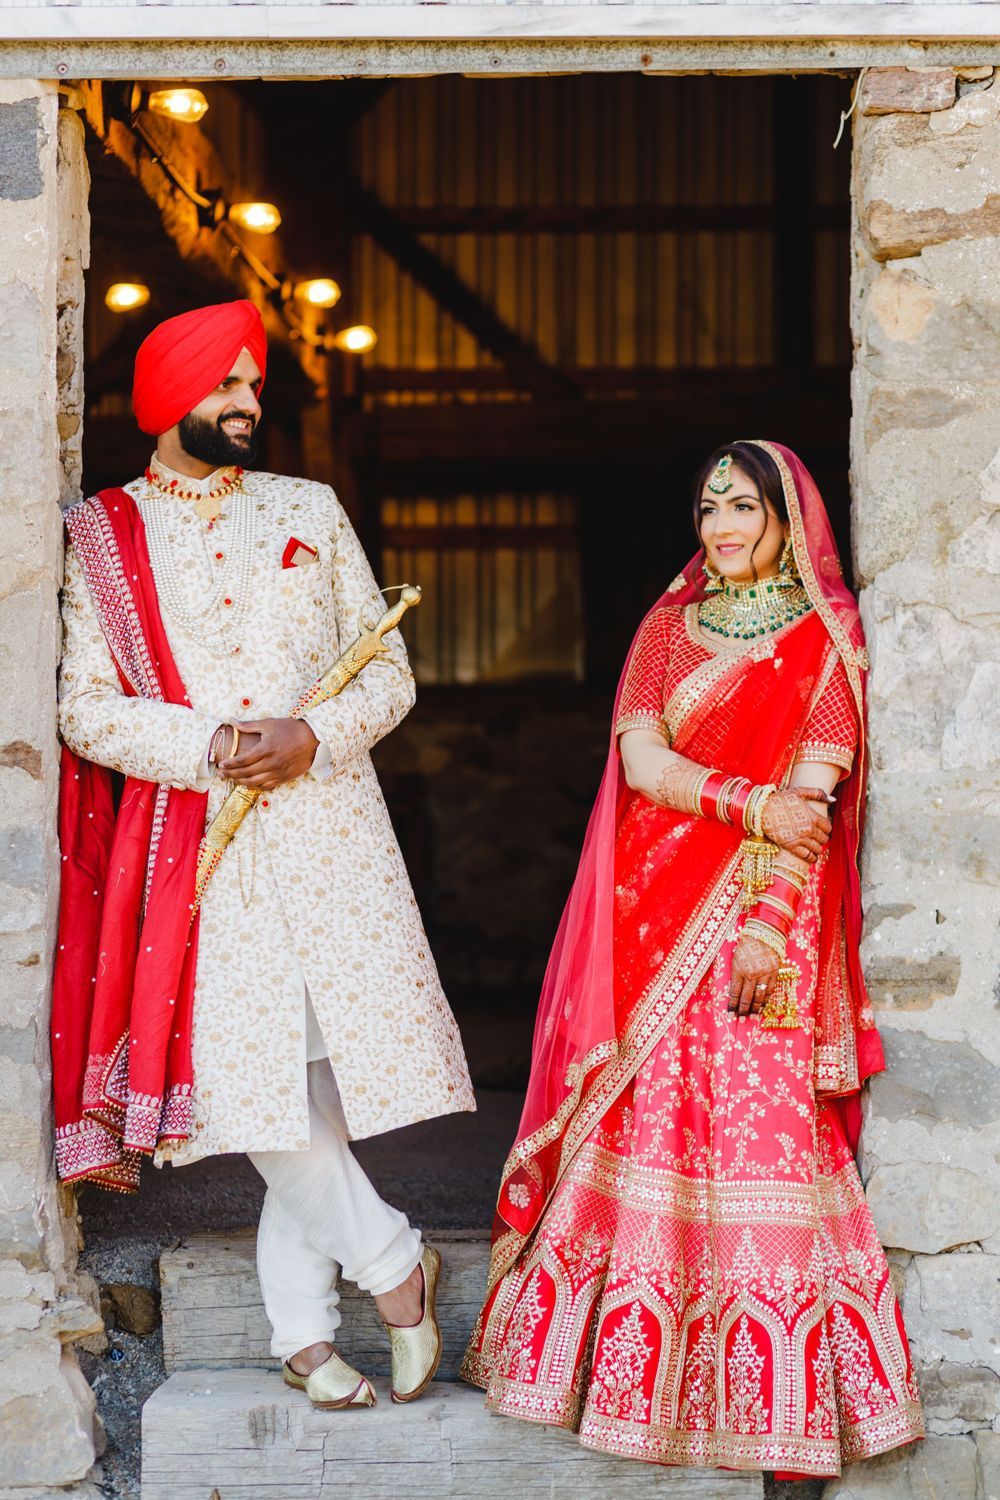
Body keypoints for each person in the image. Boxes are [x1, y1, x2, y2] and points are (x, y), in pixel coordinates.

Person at [463, 441, 924, 1478]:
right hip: (651, 910)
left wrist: (766, 923)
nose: (720, 526)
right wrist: (748, 801)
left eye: (743, 507)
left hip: (764, 920)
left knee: (763, 1142)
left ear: (787, 522)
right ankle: (622, 1384)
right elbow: (640, 762)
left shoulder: (826, 640)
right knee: (648, 1120)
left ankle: (776, 1412)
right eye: (708, 507)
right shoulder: (665, 630)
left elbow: (813, 803)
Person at [53, 298, 475, 1411]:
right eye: (227, 383)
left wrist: (314, 735)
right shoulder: (103, 537)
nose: (249, 401)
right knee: (249, 1088)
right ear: (166, 397)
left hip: (333, 838)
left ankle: (300, 1335)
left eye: (253, 382)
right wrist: (215, 746)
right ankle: (396, 1266)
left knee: (309, 1086)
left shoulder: (307, 508)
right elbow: (84, 707)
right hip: (202, 850)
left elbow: (387, 674)